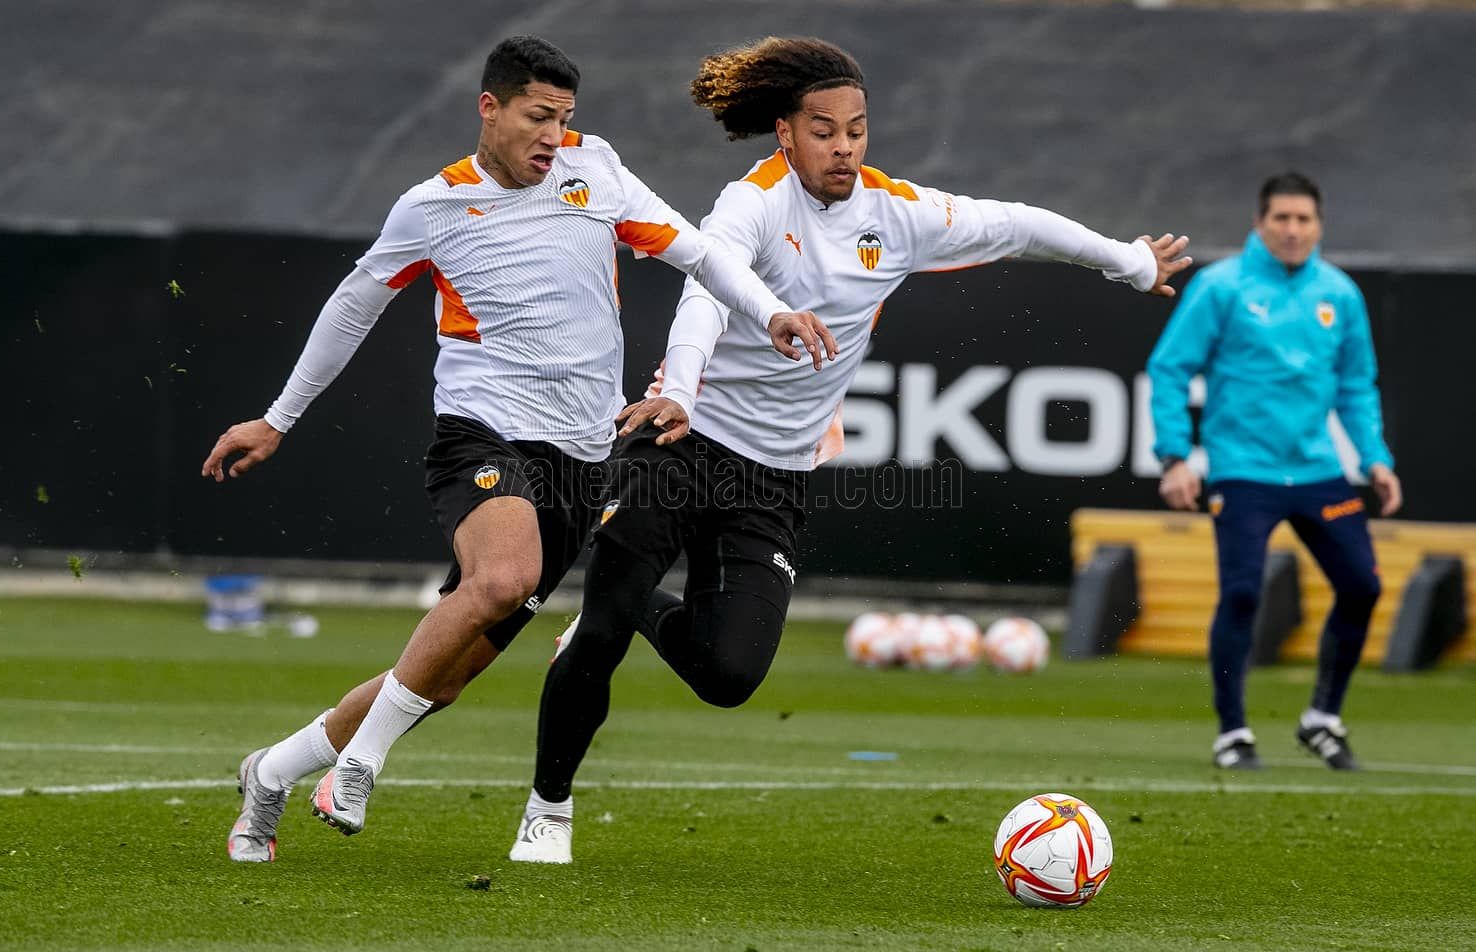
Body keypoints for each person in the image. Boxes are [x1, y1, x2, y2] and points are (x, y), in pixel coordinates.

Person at [507, 36, 1192, 864]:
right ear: (785, 135)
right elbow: (705, 298)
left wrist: (1126, 262)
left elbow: (1017, 225)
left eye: (858, 131)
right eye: (825, 131)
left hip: (776, 475)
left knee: (729, 677)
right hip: (684, 440)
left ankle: (639, 603)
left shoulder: (894, 215)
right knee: (604, 629)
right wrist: (680, 391)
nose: (844, 148)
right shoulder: (752, 203)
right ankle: (548, 809)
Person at [204, 35, 834, 863]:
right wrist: (279, 418)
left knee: (448, 675)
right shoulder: (431, 207)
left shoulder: (594, 171)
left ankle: (272, 771)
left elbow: (697, 251)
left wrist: (769, 312)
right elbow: (353, 306)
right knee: (503, 578)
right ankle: (361, 761)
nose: (553, 135)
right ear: (489, 109)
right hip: (485, 436)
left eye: (565, 118)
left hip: (583, 458)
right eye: (539, 116)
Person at [1148, 171, 1402, 772]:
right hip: (1243, 471)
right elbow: (1169, 370)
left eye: (1304, 219)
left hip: (1317, 469)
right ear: (1260, 222)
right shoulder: (1222, 287)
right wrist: (1176, 456)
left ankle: (1322, 719)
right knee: (1241, 593)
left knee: (1363, 586)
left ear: (1319, 225)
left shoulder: (1338, 294)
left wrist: (1375, 459)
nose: (1292, 230)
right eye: (1281, 218)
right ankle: (1233, 733)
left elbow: (1356, 386)